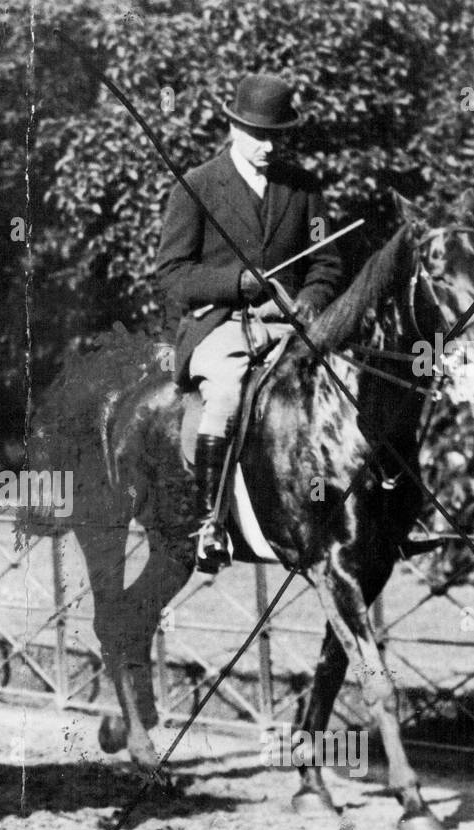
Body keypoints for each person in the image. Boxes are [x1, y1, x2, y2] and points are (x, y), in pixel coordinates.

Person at [155, 73, 343, 572]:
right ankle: (210, 527)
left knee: (345, 386)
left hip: (289, 322)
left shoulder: (304, 189)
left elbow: (326, 260)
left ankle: (363, 522)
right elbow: (173, 274)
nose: (267, 146)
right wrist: (236, 284)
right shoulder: (195, 187)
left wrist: (310, 298)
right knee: (227, 394)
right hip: (221, 324)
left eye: (276, 135)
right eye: (258, 134)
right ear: (233, 127)